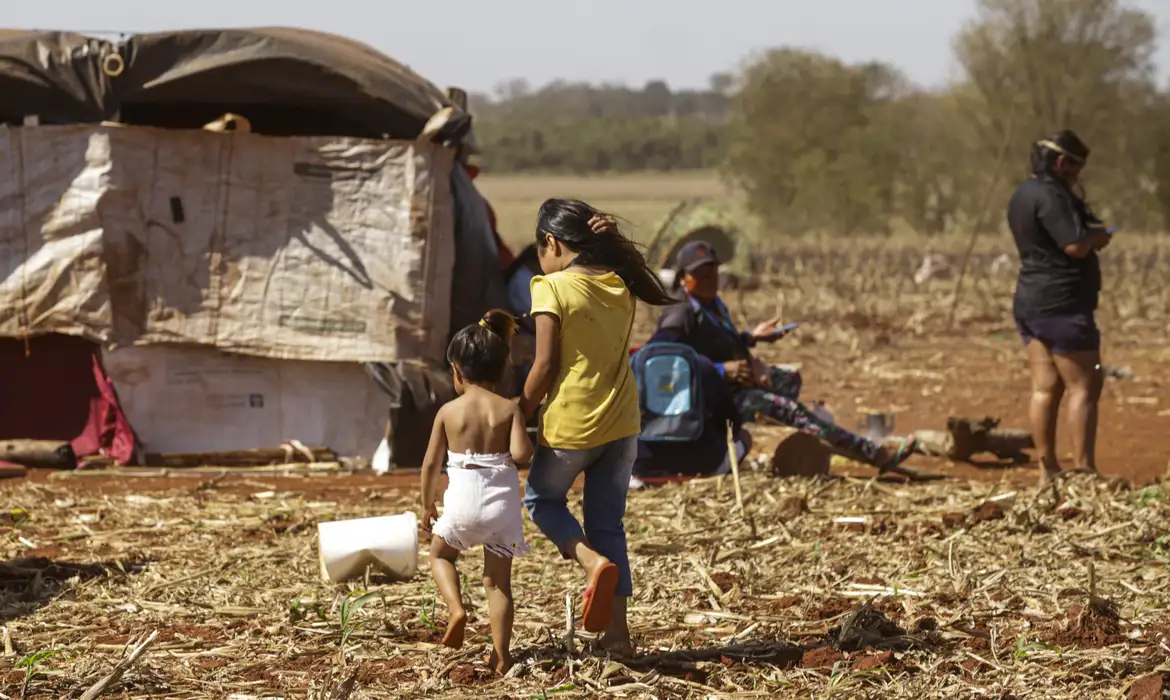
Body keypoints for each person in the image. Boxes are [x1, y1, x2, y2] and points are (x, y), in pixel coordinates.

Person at [519, 198, 675, 657]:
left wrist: (520, 408)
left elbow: (544, 364)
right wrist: (617, 245)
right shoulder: (619, 281)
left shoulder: (550, 287)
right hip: (623, 422)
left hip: (571, 424)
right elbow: (640, 275)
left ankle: (591, 563)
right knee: (608, 523)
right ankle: (619, 640)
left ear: (551, 241)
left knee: (542, 500)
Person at [652, 240, 916, 471]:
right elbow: (662, 361)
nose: (710, 278)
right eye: (701, 273)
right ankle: (874, 453)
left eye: (713, 271)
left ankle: (808, 428)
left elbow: (713, 343)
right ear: (684, 277)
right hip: (712, 399)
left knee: (789, 380)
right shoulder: (680, 313)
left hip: (736, 383)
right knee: (788, 408)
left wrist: (749, 340)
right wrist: (722, 370)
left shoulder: (712, 304)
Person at [419, 310, 532, 674]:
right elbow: (520, 455)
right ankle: (501, 654)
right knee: (498, 582)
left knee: (441, 557)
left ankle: (456, 609)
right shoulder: (509, 409)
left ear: (456, 371)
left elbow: (430, 465)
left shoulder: (448, 412)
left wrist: (426, 505)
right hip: (501, 506)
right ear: (501, 369)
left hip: (462, 504)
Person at [1009, 130, 1111, 482]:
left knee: (1045, 388)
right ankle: (1085, 472)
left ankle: (1047, 470)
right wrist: (1097, 238)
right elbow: (1073, 246)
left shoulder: (1023, 193)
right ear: (1062, 163)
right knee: (1085, 386)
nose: (1077, 177)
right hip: (1062, 304)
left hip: (1030, 301)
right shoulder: (1052, 195)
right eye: (1076, 168)